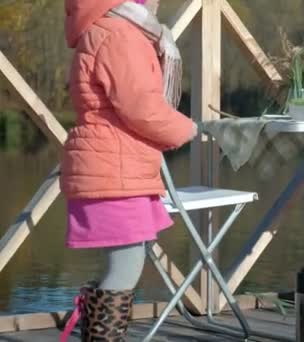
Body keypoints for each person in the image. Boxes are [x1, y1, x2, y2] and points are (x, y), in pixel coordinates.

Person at [60, 0, 197, 339]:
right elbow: (141, 107)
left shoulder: (109, 28)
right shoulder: (119, 34)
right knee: (126, 266)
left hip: (115, 164)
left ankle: (97, 331)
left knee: (123, 264)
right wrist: (187, 129)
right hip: (114, 168)